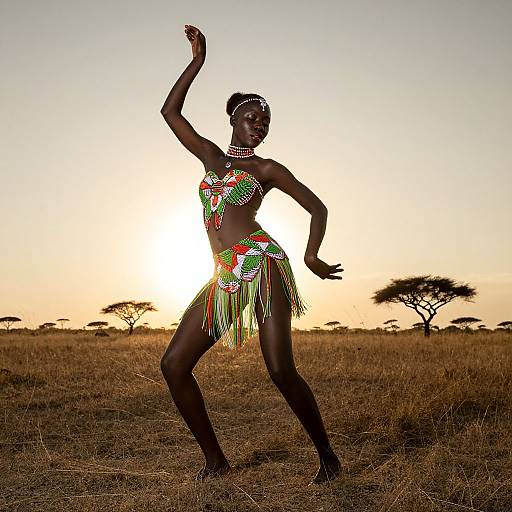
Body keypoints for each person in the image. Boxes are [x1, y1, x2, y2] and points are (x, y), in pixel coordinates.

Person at [159, 24, 344, 485]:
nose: (259, 124)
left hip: (262, 265)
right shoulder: (211, 158)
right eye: (252, 116)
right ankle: (216, 463)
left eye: (265, 121)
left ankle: (328, 457)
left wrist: (311, 255)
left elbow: (317, 207)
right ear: (233, 118)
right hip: (224, 275)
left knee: (281, 370)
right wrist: (198, 61)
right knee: (173, 364)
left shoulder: (265, 168)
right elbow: (170, 111)